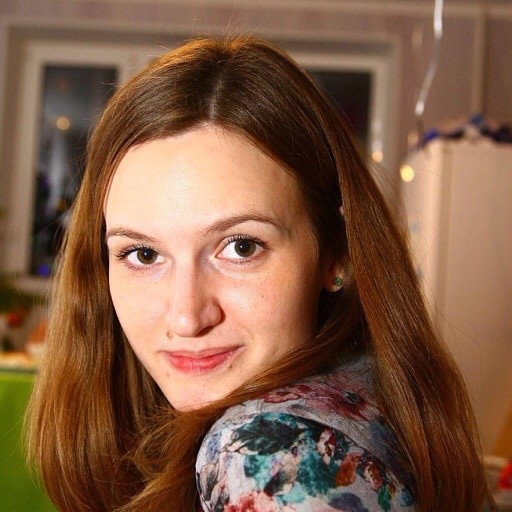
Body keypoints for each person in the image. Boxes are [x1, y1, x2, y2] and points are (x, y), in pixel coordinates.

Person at [27, 36, 493, 512]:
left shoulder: (271, 454)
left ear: (335, 253)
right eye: (144, 255)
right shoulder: (376, 388)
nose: (187, 317)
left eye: (241, 247)